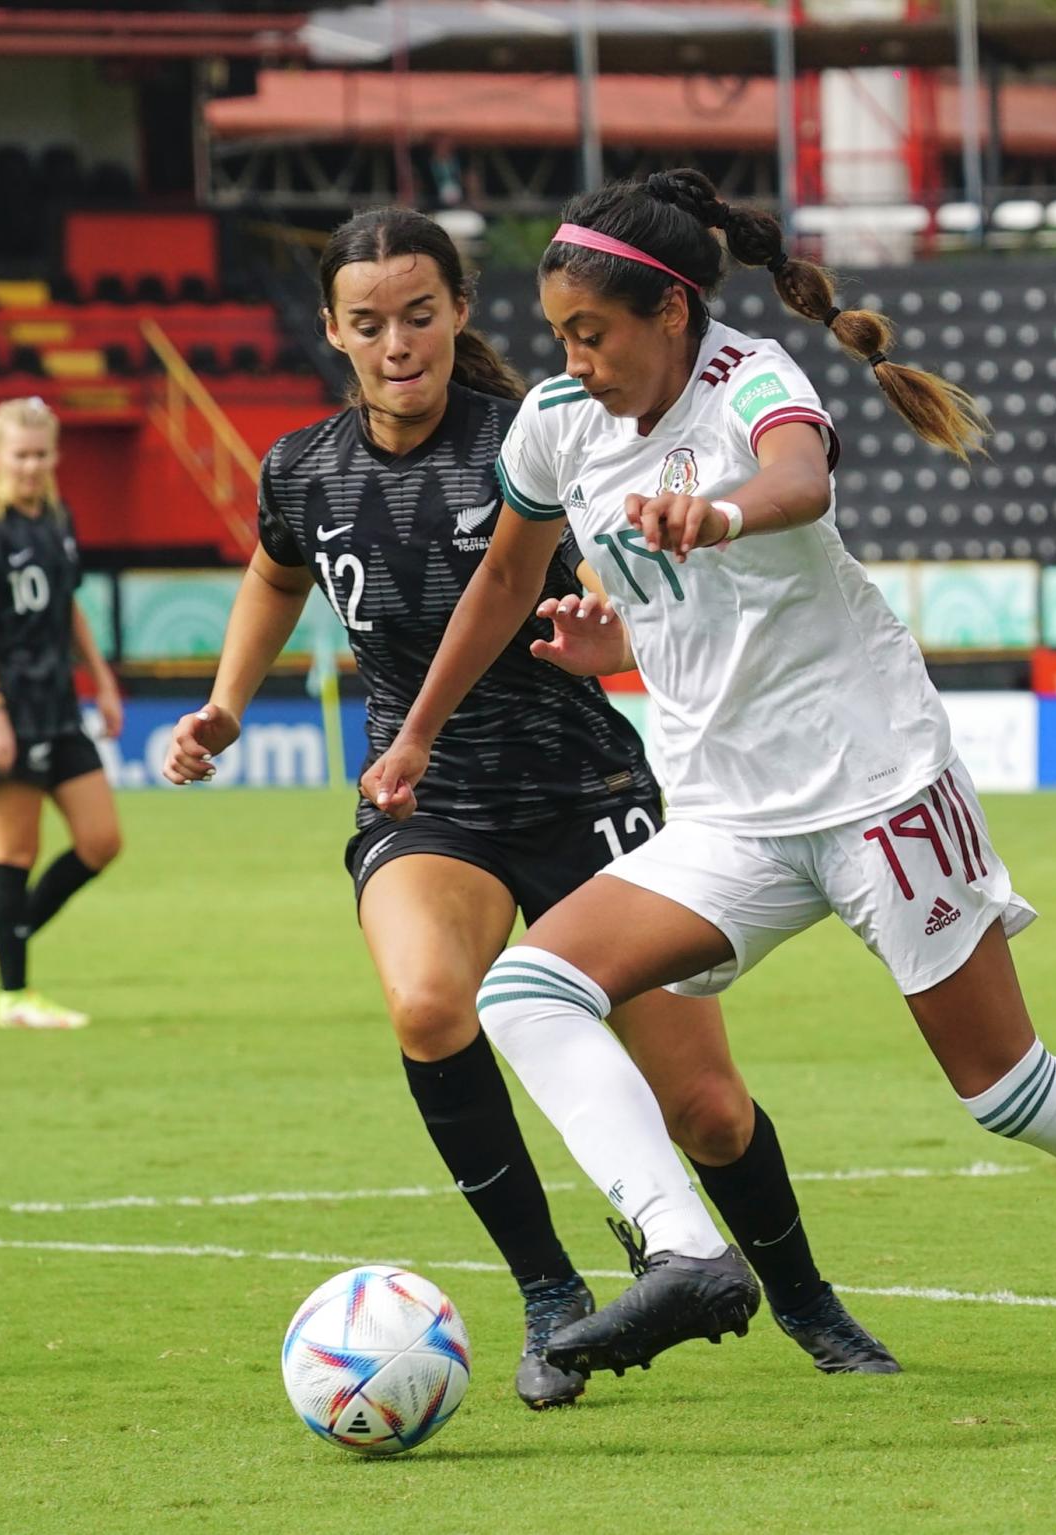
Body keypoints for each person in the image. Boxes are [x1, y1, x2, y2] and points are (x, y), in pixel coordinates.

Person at [360, 169, 1056, 1410]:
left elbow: (797, 482)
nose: (573, 358)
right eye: (560, 335)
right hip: (726, 816)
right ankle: (684, 1250)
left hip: (877, 787)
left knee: (1001, 1088)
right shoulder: (552, 422)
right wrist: (419, 730)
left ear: (670, 315)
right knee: (529, 986)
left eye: (592, 334)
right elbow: (500, 581)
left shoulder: (752, 378)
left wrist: (712, 512)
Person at [164, 206, 896, 1408]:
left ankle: (806, 1299)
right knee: (424, 1000)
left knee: (707, 1110)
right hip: (431, 799)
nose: (395, 341)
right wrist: (225, 704)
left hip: (583, 791)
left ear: (457, 311)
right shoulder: (301, 466)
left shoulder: (544, 432)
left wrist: (607, 640)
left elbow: (632, 588)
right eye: (367, 322)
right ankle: (550, 1293)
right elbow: (273, 569)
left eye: (417, 312)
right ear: (332, 333)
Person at [0, 396, 123, 1031]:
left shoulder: (57, 517)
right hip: (10, 710)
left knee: (102, 841)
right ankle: (14, 996)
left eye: (41, 454)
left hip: (60, 707)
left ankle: (7, 934)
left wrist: (102, 682)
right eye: (19, 454)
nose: (30, 466)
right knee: (15, 852)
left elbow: (69, 608)